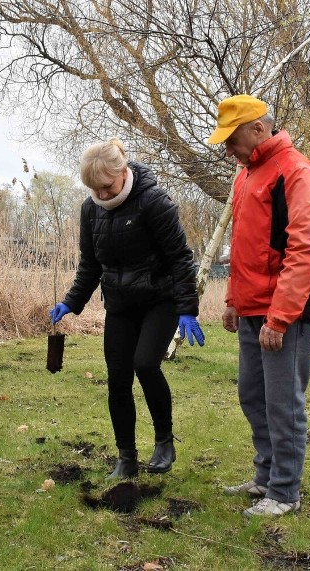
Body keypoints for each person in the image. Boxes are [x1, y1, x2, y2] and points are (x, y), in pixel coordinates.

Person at [50, 139, 204, 480]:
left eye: (106, 187)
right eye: (94, 190)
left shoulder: (153, 202)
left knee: (146, 364)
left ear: (122, 173)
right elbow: (90, 265)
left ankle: (164, 441)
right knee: (118, 380)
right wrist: (71, 302)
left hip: (158, 301)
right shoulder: (90, 210)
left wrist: (187, 309)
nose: (102, 196)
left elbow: (180, 257)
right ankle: (126, 457)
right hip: (120, 305)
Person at [207, 94, 310, 518]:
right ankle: (265, 475)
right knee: (252, 397)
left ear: (258, 129)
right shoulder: (247, 175)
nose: (227, 150)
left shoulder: (295, 172)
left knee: (283, 404)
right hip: (251, 308)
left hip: (285, 313)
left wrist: (280, 317)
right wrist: (232, 301)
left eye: (232, 139)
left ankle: (284, 492)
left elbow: (304, 249)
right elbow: (246, 247)